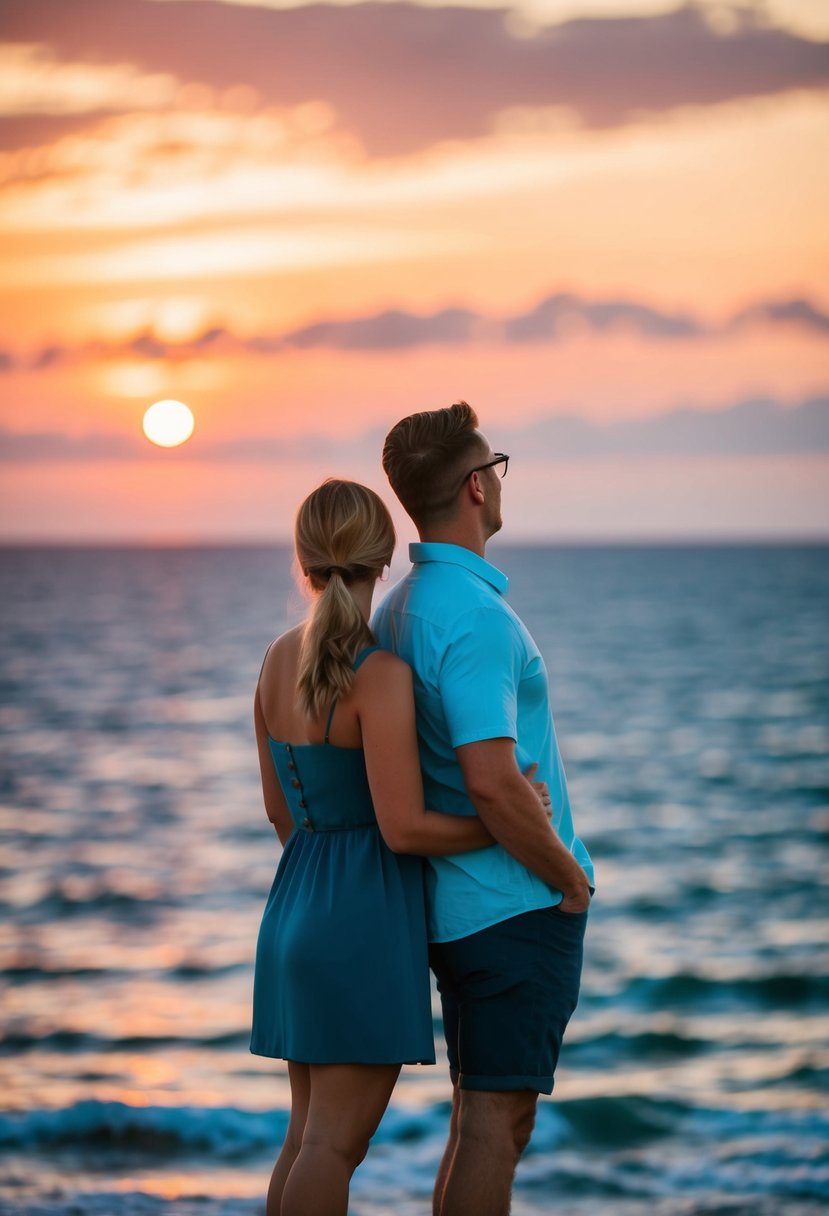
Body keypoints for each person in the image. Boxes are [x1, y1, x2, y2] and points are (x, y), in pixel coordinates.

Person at [249, 478, 552, 1216]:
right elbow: (404, 829)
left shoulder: (276, 661)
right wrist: (508, 821)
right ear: (383, 555)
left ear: (304, 558)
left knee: (306, 1138)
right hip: (361, 920)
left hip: (293, 909)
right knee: (334, 1146)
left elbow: (277, 812)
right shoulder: (377, 674)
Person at [373, 402, 595, 1216]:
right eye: (494, 468)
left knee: (479, 1124)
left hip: (461, 908)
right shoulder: (469, 616)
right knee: (497, 1127)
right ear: (476, 486)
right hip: (509, 909)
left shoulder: (402, 605)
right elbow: (493, 781)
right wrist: (567, 880)